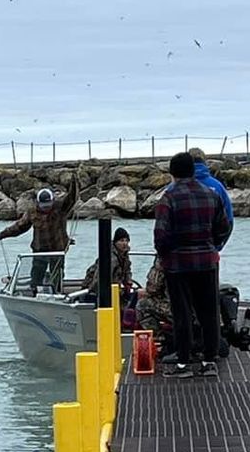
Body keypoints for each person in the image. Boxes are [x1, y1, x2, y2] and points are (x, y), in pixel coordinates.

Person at [152, 151, 232, 377]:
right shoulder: (211, 195)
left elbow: (160, 236)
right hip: (207, 262)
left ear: (172, 173)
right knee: (209, 312)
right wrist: (211, 246)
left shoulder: (168, 198)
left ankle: (183, 363)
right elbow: (223, 228)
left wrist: (167, 255)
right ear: (193, 170)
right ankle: (209, 362)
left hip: (178, 265)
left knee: (182, 314)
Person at [0, 175, 78, 295]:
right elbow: (19, 227)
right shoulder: (32, 212)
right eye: (44, 206)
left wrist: (74, 182)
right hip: (39, 251)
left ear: (53, 201)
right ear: (38, 203)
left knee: (57, 276)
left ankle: (57, 293)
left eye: (48, 205)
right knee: (36, 276)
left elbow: (72, 198)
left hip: (57, 250)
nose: (46, 208)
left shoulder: (61, 208)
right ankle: (34, 293)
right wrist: (2, 234)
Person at [77, 227, 133, 304]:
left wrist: (128, 283)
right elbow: (98, 279)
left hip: (115, 289)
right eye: (121, 240)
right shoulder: (110, 258)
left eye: (126, 241)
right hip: (97, 290)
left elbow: (127, 271)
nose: (124, 243)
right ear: (115, 242)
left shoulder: (124, 256)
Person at [187, 148, 235, 224]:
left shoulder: (175, 188)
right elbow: (229, 219)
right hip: (211, 234)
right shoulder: (218, 186)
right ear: (205, 162)